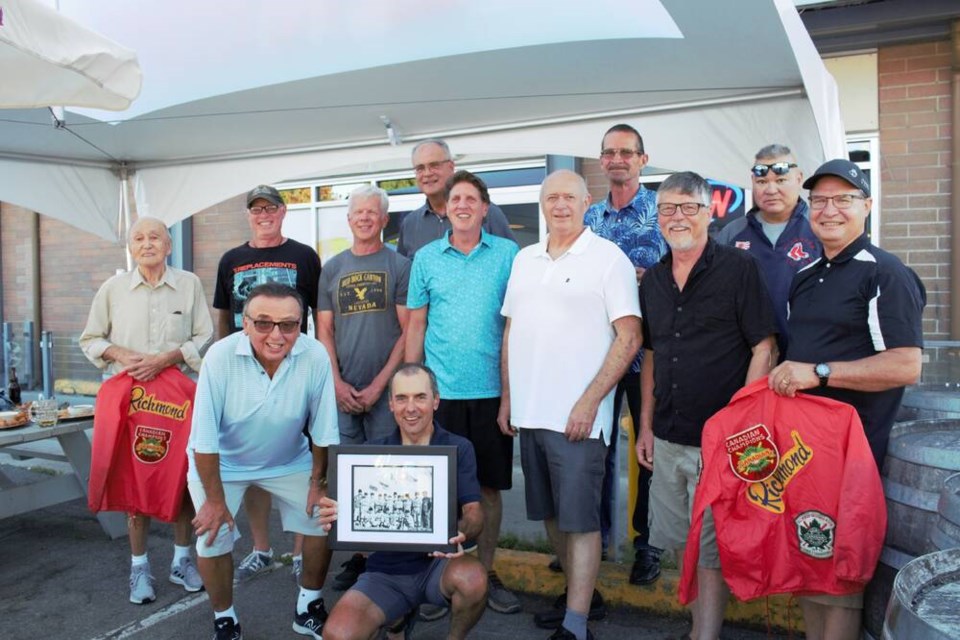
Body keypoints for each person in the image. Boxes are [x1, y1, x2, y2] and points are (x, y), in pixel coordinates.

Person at [768, 158, 925, 640]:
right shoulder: (806, 275)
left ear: (867, 207)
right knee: (810, 570)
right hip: (805, 456)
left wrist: (819, 373)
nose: (829, 210)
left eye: (843, 199)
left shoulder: (885, 274)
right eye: (818, 200)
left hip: (852, 460)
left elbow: (907, 365)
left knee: (838, 579)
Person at [500, 170, 643, 640]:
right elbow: (510, 332)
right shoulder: (524, 259)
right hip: (530, 413)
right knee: (551, 516)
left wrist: (589, 402)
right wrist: (508, 399)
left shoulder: (608, 259)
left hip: (578, 417)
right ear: (542, 204)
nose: (560, 205)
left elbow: (629, 336)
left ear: (587, 203)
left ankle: (576, 625)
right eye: (551, 197)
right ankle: (584, 600)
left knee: (582, 522)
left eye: (569, 197)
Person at [636, 171, 777, 640]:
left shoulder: (739, 269)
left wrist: (741, 424)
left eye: (688, 207)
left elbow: (764, 346)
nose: (677, 217)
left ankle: (706, 634)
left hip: (721, 442)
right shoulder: (653, 279)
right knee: (681, 543)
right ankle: (698, 626)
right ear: (657, 217)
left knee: (712, 549)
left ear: (707, 212)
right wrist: (646, 426)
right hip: (670, 435)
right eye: (667, 209)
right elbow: (652, 354)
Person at [188, 283, 339, 640]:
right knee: (212, 536)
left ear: (301, 323)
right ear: (245, 323)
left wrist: (319, 485)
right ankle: (225, 620)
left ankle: (309, 607)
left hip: (288, 459)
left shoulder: (315, 355)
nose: (277, 334)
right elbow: (204, 439)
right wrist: (213, 500)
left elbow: (323, 429)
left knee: (324, 518)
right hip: (222, 464)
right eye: (264, 323)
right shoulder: (220, 357)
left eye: (288, 324)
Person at [80, 216, 214, 604]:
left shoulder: (188, 284)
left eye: (155, 236)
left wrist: (166, 358)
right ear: (131, 247)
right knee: (133, 480)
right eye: (138, 238)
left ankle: (182, 560)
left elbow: (204, 336)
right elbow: (91, 339)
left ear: (168, 245)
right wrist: (123, 354)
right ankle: (139, 567)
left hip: (178, 401)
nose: (147, 243)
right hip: (130, 403)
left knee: (183, 478)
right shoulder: (113, 288)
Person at [405, 170, 521, 617]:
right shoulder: (427, 258)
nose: (463, 205)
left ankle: (484, 572)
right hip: (442, 394)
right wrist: (413, 387)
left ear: (485, 208)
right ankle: (438, 578)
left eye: (472, 198)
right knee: (440, 491)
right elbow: (416, 323)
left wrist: (513, 393)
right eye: (456, 198)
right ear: (447, 208)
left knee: (488, 490)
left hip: (492, 392)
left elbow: (517, 325)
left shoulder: (509, 255)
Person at [318, 363, 488, 640]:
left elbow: (474, 512)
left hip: (439, 566)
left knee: (473, 579)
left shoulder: (459, 447)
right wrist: (335, 516)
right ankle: (397, 620)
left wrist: (463, 532)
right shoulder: (368, 456)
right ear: (391, 405)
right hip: (386, 572)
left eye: (420, 397)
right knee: (337, 634)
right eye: (402, 398)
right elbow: (346, 514)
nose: (411, 407)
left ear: (435, 401)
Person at [213, 184, 322, 582]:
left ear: (282, 212)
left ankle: (298, 550)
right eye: (256, 209)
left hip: (294, 370)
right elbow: (223, 316)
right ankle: (261, 547)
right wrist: (220, 362)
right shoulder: (232, 259)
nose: (264, 215)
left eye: (270, 208)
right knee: (252, 459)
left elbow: (320, 313)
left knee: (298, 457)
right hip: (244, 372)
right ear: (248, 215)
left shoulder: (304, 257)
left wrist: (321, 365)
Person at [583, 123, 667, 584]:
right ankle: (590, 540)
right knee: (595, 448)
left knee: (647, 450)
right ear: (602, 161)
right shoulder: (589, 218)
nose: (618, 159)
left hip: (649, 352)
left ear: (642, 159)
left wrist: (643, 278)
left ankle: (646, 545)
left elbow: (681, 272)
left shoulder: (663, 211)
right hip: (599, 352)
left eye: (626, 152)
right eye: (610, 153)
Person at [316, 185, 411, 591]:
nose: (365, 218)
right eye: (359, 212)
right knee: (348, 476)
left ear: (385, 220)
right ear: (349, 218)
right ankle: (359, 556)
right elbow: (324, 329)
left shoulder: (400, 265)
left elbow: (408, 333)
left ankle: (385, 558)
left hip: (385, 393)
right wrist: (335, 381)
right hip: (342, 391)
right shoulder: (332, 267)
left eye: (374, 212)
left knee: (386, 476)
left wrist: (379, 386)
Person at [716, 144, 821, 355]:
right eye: (762, 182)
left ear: (799, 178)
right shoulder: (732, 233)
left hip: (808, 358)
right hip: (747, 358)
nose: (771, 190)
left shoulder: (821, 227)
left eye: (781, 180)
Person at [396, 139, 516, 258]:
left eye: (434, 166)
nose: (427, 173)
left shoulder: (486, 213)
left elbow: (510, 262)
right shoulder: (410, 224)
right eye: (420, 168)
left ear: (451, 166)